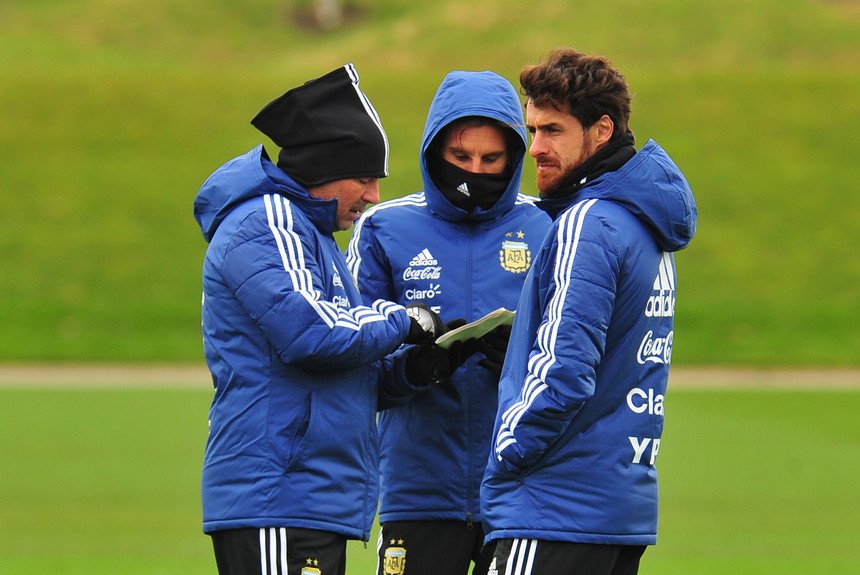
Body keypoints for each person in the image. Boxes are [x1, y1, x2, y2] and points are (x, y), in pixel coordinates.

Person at [193, 64, 452, 575]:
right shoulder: (267, 221)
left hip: (308, 500)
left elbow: (340, 370)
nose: (374, 195)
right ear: (322, 168)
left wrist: (417, 369)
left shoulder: (311, 236)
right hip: (277, 496)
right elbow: (312, 335)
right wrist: (404, 319)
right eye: (363, 178)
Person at [480, 48, 698, 575]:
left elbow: (564, 371)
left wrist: (507, 450)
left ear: (602, 130)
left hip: (553, 508)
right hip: (616, 510)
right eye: (532, 130)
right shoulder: (645, 225)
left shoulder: (590, 222)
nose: (534, 149)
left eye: (552, 130)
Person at [346, 70, 551, 575]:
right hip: (416, 494)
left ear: (513, 159)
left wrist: (520, 363)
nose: (474, 171)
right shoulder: (383, 229)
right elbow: (351, 369)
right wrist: (419, 368)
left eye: (491, 159)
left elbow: (579, 359)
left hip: (520, 495)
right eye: (461, 158)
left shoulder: (548, 227)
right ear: (433, 150)